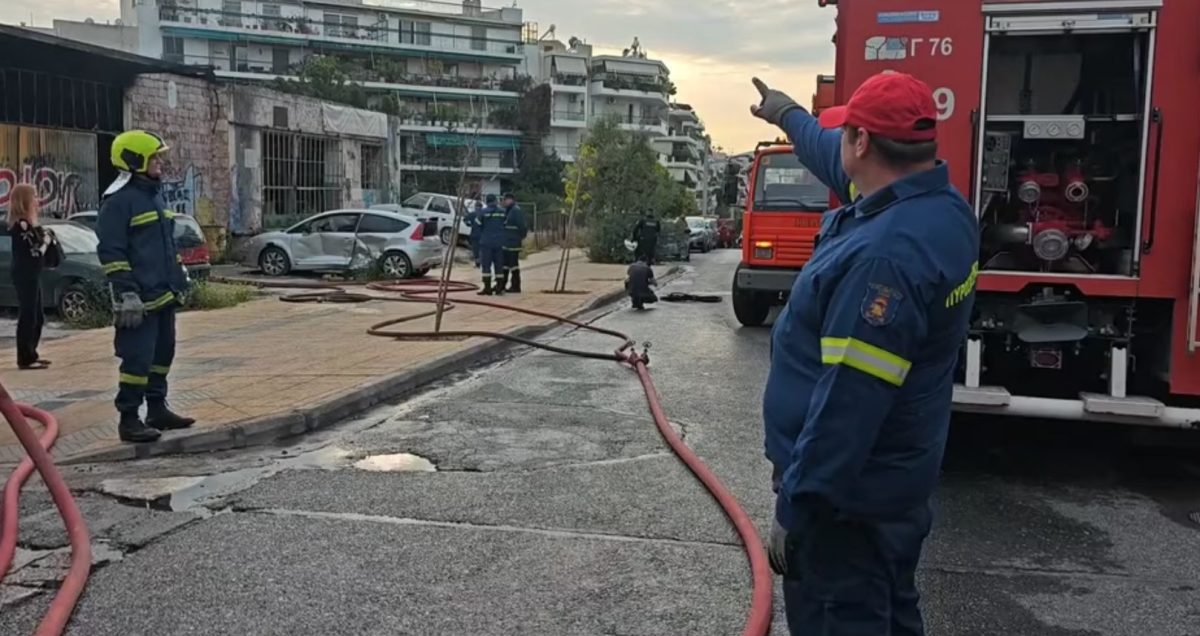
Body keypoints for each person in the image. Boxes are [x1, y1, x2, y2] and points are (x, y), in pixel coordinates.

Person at [750, 72, 979, 635]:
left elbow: (849, 405)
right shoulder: (939, 208)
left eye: (848, 133)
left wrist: (798, 508)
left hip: (847, 505)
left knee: (844, 618)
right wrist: (784, 115)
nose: (841, 145)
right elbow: (828, 151)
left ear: (864, 144)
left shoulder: (886, 259)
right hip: (894, 484)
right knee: (892, 611)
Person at [97, 129, 196, 444]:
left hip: (163, 293)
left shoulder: (153, 195)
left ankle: (157, 410)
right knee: (136, 360)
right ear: (134, 160)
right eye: (154, 158)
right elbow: (111, 252)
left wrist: (179, 274)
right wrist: (126, 292)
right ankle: (129, 420)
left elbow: (164, 243)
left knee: (163, 354)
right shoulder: (118, 202)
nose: (160, 163)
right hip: (137, 298)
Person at [8, 183, 59, 370]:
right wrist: (46, 241)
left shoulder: (30, 224)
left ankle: (32, 353)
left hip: (32, 274)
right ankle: (25, 357)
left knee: (37, 315)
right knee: (28, 314)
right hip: (24, 274)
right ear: (24, 201)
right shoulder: (20, 225)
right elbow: (34, 253)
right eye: (34, 197)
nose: (37, 200)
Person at [475, 192, 509, 296]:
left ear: (486, 202)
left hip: (486, 243)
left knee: (486, 266)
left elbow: (478, 226)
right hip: (499, 242)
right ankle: (499, 288)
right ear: (495, 201)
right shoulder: (503, 212)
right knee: (499, 266)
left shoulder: (482, 212)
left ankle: (487, 288)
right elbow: (505, 224)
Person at [500, 193, 528, 294]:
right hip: (507, 243)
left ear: (510, 200)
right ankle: (502, 285)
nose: (503, 202)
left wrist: (520, 237)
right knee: (505, 265)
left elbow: (522, 226)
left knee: (513, 265)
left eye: (504, 200)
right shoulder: (509, 210)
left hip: (513, 243)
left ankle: (516, 286)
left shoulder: (516, 210)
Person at [468, 194, 491, 269]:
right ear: (481, 207)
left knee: (475, 250)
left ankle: (477, 264)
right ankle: (483, 262)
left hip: (474, 235)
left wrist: (471, 225)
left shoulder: (471, 214)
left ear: (475, 207)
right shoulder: (484, 214)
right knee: (482, 250)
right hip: (483, 235)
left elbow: (466, 221)